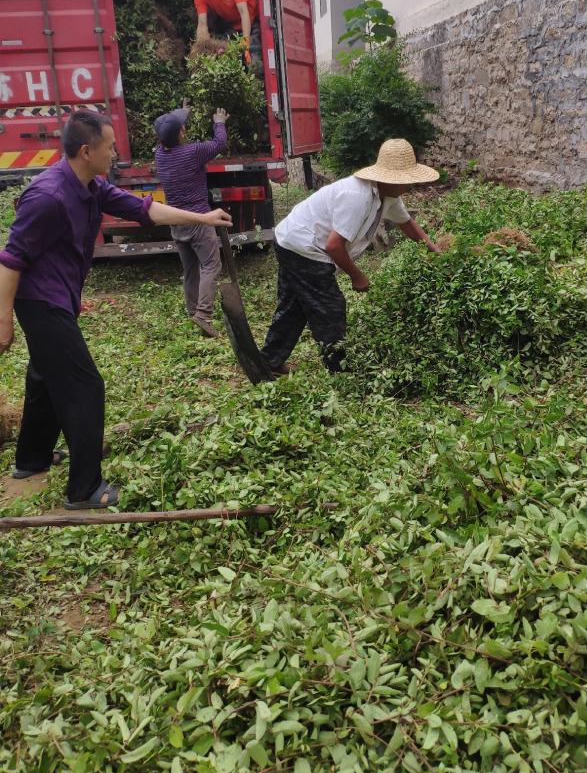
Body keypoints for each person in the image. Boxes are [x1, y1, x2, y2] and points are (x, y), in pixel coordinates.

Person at [0, 111, 232, 510]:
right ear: (87, 151)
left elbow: (147, 211)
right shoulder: (48, 195)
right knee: (84, 386)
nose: (115, 154)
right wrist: (3, 320)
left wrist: (203, 217)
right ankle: (85, 489)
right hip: (41, 302)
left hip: (60, 296)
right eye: (110, 147)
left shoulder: (91, 186)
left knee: (44, 375)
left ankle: (32, 460)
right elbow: (11, 260)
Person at [260, 138, 441, 377]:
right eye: (405, 182)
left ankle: (269, 362)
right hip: (303, 246)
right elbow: (334, 246)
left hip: (293, 240)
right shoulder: (358, 196)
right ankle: (341, 371)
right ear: (388, 177)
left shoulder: (389, 196)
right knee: (330, 308)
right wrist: (358, 276)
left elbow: (407, 224)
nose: (408, 187)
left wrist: (436, 252)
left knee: (295, 305)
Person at [154, 102, 228, 338]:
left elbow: (169, 132)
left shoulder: (160, 154)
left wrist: (182, 111)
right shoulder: (192, 152)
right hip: (199, 220)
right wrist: (219, 122)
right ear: (182, 133)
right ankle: (203, 315)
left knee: (190, 270)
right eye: (183, 127)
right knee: (211, 265)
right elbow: (220, 144)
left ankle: (192, 311)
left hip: (177, 222)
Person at [192, 0, 261, 73]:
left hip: (252, 20)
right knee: (220, 56)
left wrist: (245, 45)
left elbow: (244, 13)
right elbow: (202, 24)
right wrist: (200, 48)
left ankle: (259, 84)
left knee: (253, 62)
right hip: (233, 26)